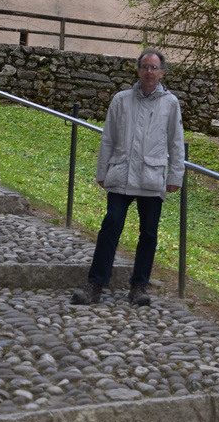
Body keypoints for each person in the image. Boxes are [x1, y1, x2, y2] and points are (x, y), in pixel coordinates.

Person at [71, 48, 185, 306]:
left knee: (149, 233)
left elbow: (176, 143)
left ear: (162, 72)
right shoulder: (121, 100)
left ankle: (139, 287)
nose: (149, 72)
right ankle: (95, 284)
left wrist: (175, 175)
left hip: (152, 177)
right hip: (121, 175)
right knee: (111, 225)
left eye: (154, 68)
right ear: (138, 70)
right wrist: (102, 172)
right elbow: (108, 138)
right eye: (145, 66)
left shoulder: (171, 103)